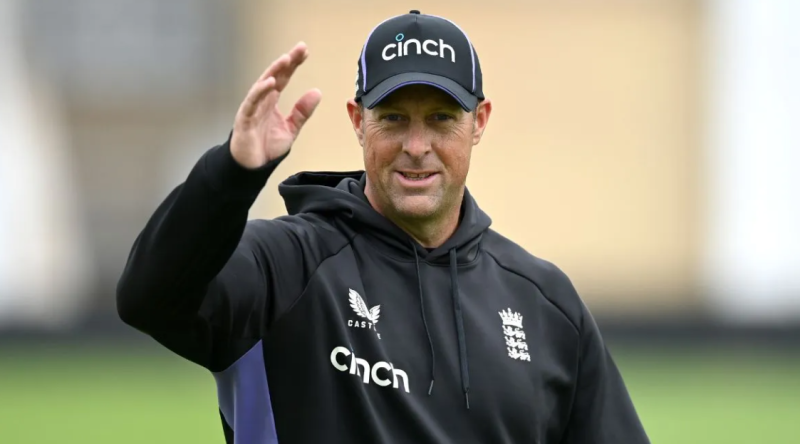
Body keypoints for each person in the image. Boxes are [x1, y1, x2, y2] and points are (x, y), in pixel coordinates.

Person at [116, 10, 650, 444]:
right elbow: (148, 297)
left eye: (441, 118)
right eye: (393, 118)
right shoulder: (284, 267)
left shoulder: (545, 305)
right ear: (358, 121)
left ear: (479, 122)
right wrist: (231, 173)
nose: (416, 146)